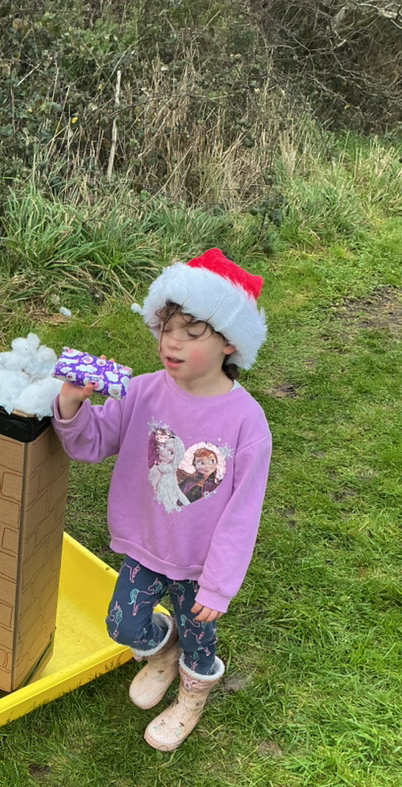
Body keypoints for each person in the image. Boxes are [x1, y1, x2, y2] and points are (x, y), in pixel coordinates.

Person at [52, 249, 272, 752]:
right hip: (145, 547)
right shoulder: (142, 392)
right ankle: (162, 651)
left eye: (191, 333)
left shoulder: (247, 423)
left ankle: (192, 697)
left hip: (199, 565)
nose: (171, 342)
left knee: (200, 641)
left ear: (230, 343)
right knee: (122, 624)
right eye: (167, 328)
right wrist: (70, 403)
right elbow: (90, 443)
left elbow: (241, 515)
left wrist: (217, 586)